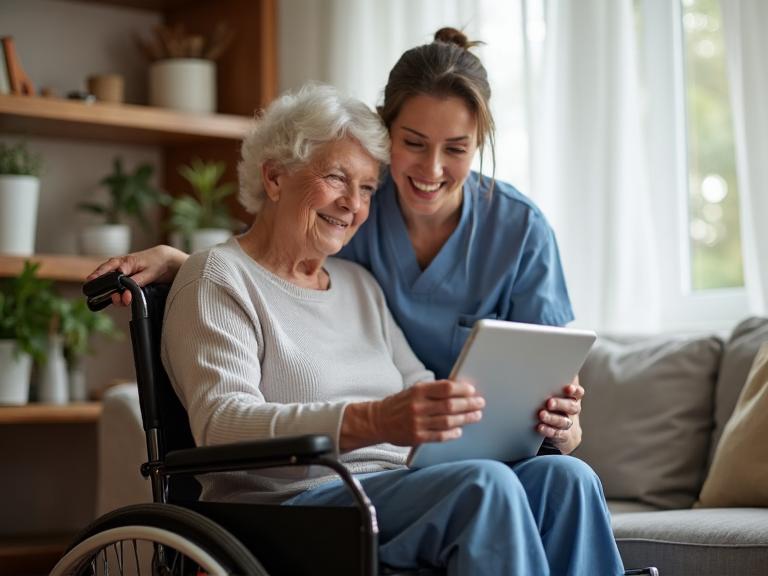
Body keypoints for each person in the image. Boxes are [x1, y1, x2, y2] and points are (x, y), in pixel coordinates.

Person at [89, 30, 625, 574]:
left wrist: (506, 413)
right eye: (336, 179)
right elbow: (222, 422)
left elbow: (419, 385)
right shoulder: (217, 278)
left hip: (390, 489)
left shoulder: (358, 283)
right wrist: (377, 419)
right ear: (274, 177)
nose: (353, 204)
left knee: (567, 478)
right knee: (483, 487)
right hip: (294, 506)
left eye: (368, 188)